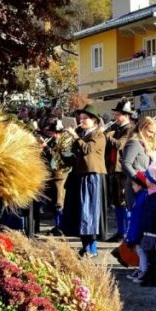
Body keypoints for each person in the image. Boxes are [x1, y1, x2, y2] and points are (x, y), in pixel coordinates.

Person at [63, 105, 106, 257]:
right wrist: (62, 152)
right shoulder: (82, 134)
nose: (81, 121)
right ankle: (84, 245)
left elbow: (87, 149)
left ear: (94, 120)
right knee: (80, 213)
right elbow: (76, 156)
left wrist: (74, 136)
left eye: (84, 118)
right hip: (79, 176)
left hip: (92, 176)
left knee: (90, 213)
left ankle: (92, 248)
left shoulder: (99, 135)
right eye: (80, 119)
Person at [105, 99, 138, 241]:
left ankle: (125, 231)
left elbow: (121, 144)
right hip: (113, 168)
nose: (115, 117)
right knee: (117, 201)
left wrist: (107, 136)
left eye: (118, 114)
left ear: (126, 115)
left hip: (123, 170)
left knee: (124, 200)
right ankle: (120, 231)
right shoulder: (117, 129)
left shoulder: (131, 128)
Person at [39, 118, 72, 236]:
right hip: (54, 174)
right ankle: (57, 225)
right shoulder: (55, 141)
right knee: (54, 201)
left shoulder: (65, 141)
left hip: (61, 174)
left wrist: (46, 148)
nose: (51, 134)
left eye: (53, 132)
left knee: (60, 201)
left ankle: (60, 226)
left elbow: (60, 157)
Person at [120, 115, 155, 208]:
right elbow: (126, 164)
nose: (151, 135)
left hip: (142, 186)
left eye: (153, 133)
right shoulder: (134, 143)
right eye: (150, 131)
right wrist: (138, 179)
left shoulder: (142, 144)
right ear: (142, 128)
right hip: (134, 186)